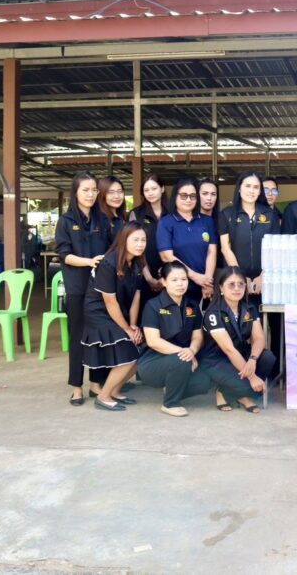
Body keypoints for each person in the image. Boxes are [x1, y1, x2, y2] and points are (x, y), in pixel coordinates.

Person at [55, 171, 112, 406]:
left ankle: (96, 383)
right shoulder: (66, 221)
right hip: (77, 287)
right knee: (78, 337)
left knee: (98, 337)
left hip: (99, 288)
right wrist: (89, 262)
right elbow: (64, 255)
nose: (90, 194)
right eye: (85, 190)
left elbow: (110, 250)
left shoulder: (102, 220)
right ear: (75, 193)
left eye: (93, 190)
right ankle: (76, 387)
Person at [81, 222, 146, 412]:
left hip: (119, 312)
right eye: (135, 240)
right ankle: (103, 396)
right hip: (99, 313)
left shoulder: (137, 263)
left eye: (143, 240)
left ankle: (115, 391)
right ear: (124, 240)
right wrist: (126, 329)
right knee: (129, 352)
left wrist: (133, 325)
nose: (140, 244)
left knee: (140, 349)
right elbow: (110, 302)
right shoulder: (108, 263)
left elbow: (136, 297)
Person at [137, 261, 212, 417]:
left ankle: (172, 387)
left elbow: (197, 335)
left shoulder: (192, 305)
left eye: (184, 279)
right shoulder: (153, 305)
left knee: (204, 381)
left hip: (182, 358)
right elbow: (153, 341)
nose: (180, 284)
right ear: (164, 282)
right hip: (152, 362)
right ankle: (170, 403)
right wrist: (185, 353)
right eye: (174, 280)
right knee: (181, 360)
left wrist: (192, 350)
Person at [201, 266, 277, 413]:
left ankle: (237, 392)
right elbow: (229, 349)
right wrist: (252, 377)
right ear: (221, 288)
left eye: (241, 284)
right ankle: (227, 392)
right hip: (217, 360)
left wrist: (253, 359)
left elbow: (259, 338)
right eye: (231, 285)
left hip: (241, 354)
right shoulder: (213, 313)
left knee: (267, 357)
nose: (237, 288)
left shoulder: (249, 308)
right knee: (250, 384)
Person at [218, 171, 279, 298]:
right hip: (235, 281)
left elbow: (275, 249)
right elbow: (225, 248)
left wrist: (263, 276)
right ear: (239, 189)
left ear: (260, 191)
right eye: (247, 186)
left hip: (265, 281)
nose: (251, 191)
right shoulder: (226, 214)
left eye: (256, 187)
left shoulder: (270, 214)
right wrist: (240, 277)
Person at [158, 175, 218, 304]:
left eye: (192, 196)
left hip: (204, 288)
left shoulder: (207, 221)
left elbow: (211, 251)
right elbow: (166, 256)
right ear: (175, 196)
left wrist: (207, 282)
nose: (188, 200)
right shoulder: (166, 222)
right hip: (178, 286)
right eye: (184, 196)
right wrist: (195, 277)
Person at [129, 174, 167, 301]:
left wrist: (165, 276)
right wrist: (149, 278)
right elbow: (134, 248)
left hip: (170, 276)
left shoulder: (172, 213)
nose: (150, 193)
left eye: (154, 188)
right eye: (146, 190)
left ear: (162, 188)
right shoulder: (136, 214)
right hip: (143, 274)